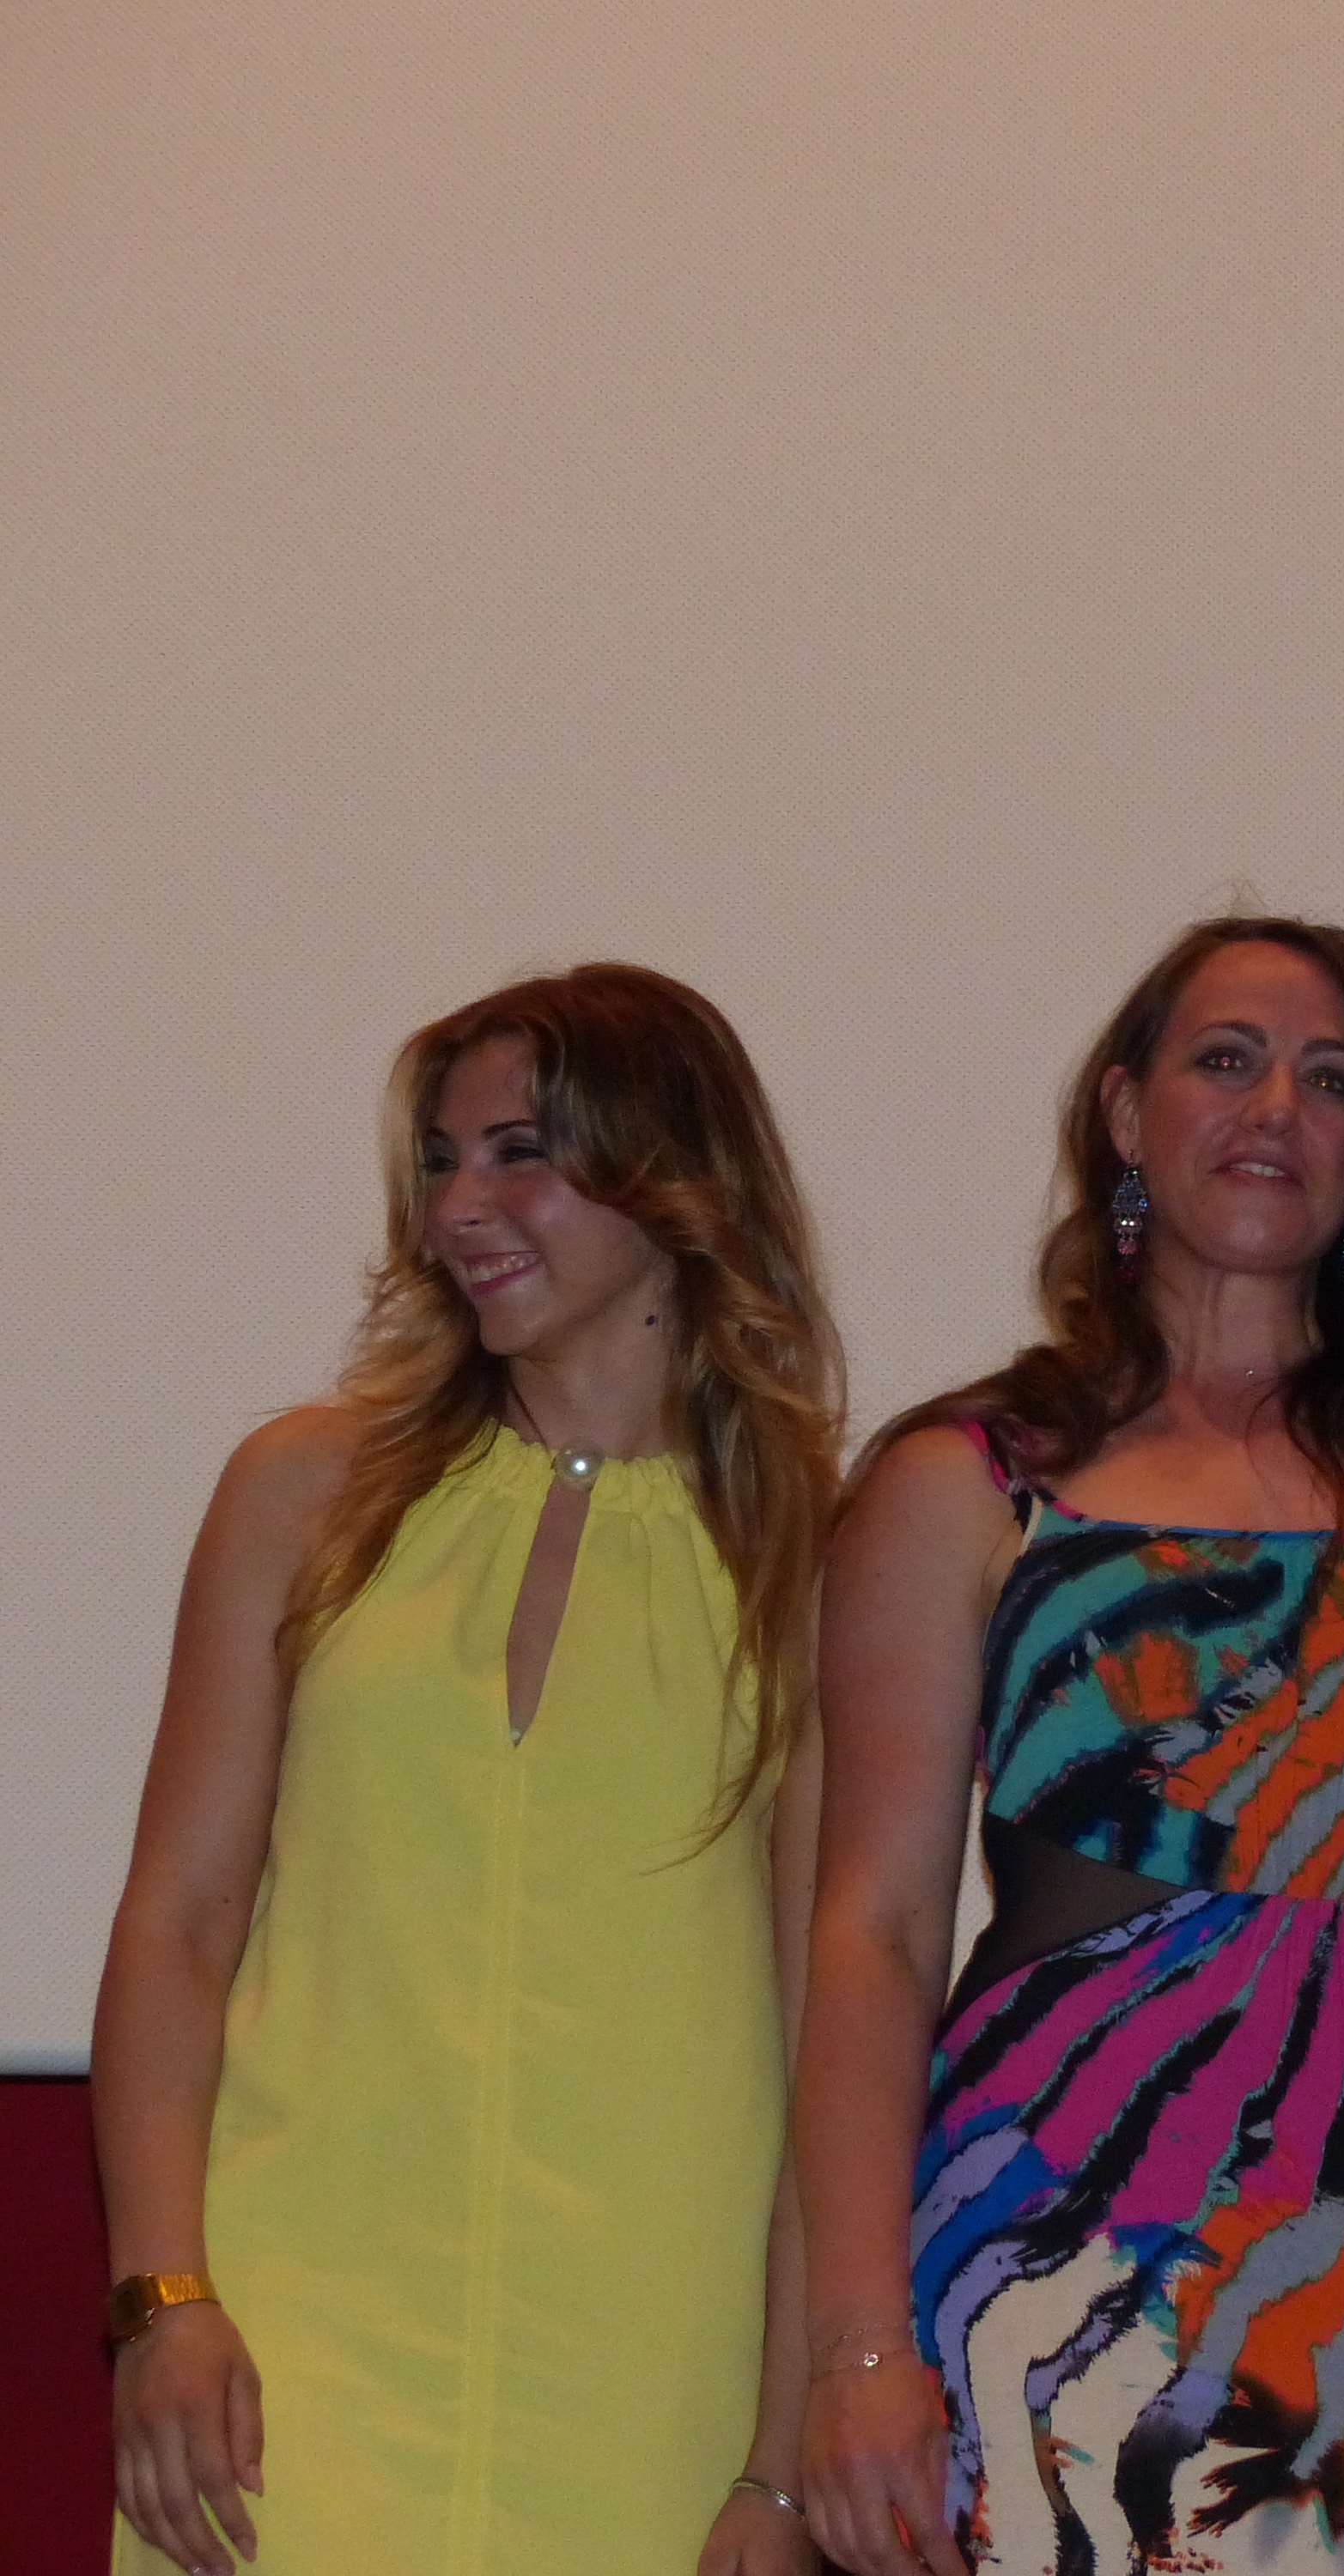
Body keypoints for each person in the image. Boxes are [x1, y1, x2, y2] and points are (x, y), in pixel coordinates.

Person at [794, 916, 1344, 2576]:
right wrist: (854, 2346)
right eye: (1226, 1060)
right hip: (1059, 2269)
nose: (1276, 1108)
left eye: (1328, 1080)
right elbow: (875, 1931)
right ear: (1128, 1113)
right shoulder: (968, 1485)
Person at [93, 963, 842, 2575]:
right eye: (440, 1161)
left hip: (653, 2375)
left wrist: (778, 2467)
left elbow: (824, 2046)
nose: (458, 1208)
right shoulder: (303, 1492)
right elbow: (177, 1926)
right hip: (289, 2349)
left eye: (518, 1154)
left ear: (670, 1177)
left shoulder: (817, 1563)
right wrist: (163, 2299)